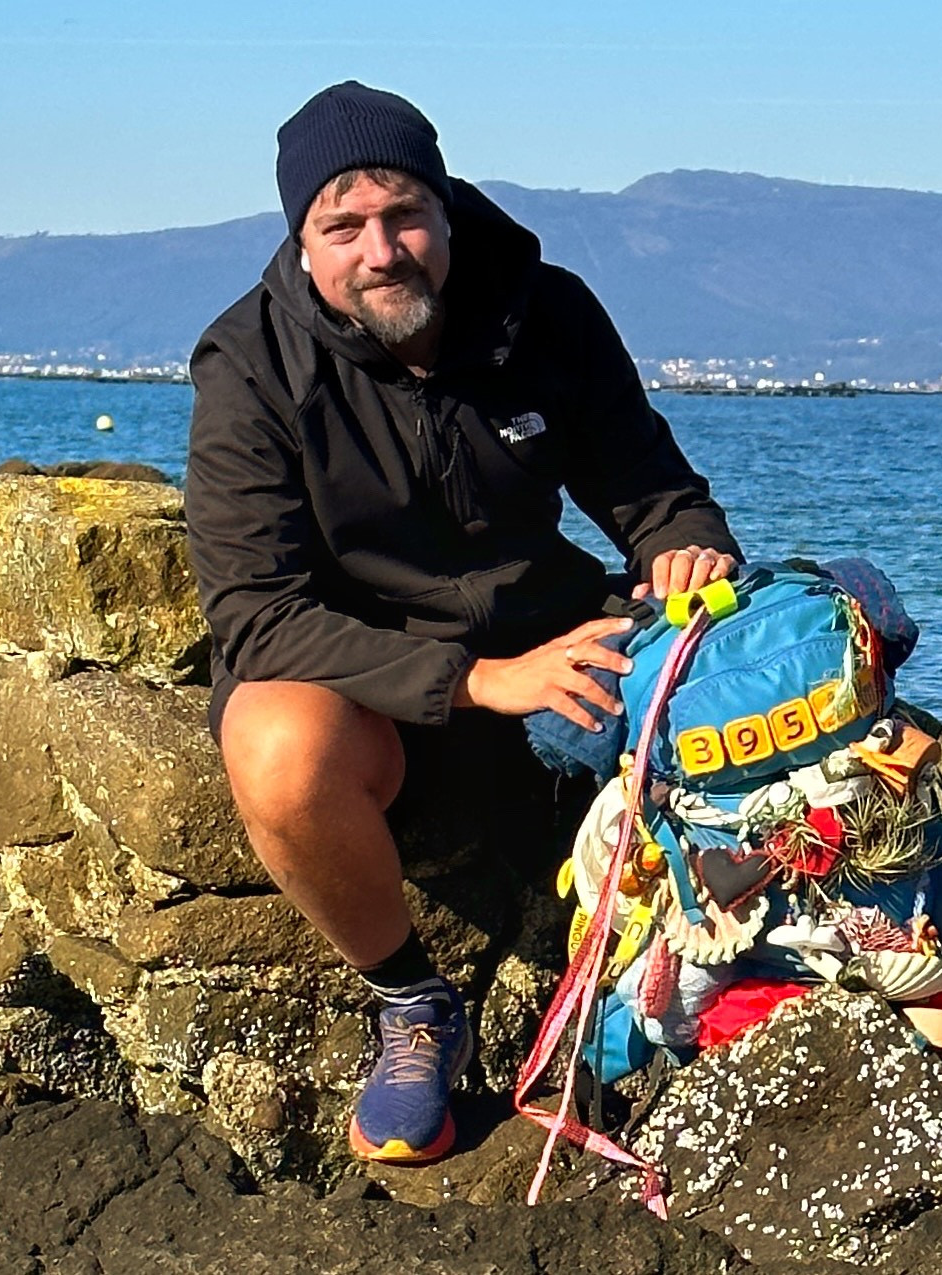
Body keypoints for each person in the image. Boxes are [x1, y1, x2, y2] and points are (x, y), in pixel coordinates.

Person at [184, 81, 741, 1165]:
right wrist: (482, 679)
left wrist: (686, 545)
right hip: (374, 695)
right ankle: (411, 1006)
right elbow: (256, 618)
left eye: (404, 216)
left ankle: (817, 970)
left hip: (555, 644)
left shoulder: (548, 310)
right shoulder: (249, 364)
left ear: (443, 210)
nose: (381, 250)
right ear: (304, 243)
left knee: (776, 667)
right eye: (343, 228)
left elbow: (649, 486)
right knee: (273, 745)